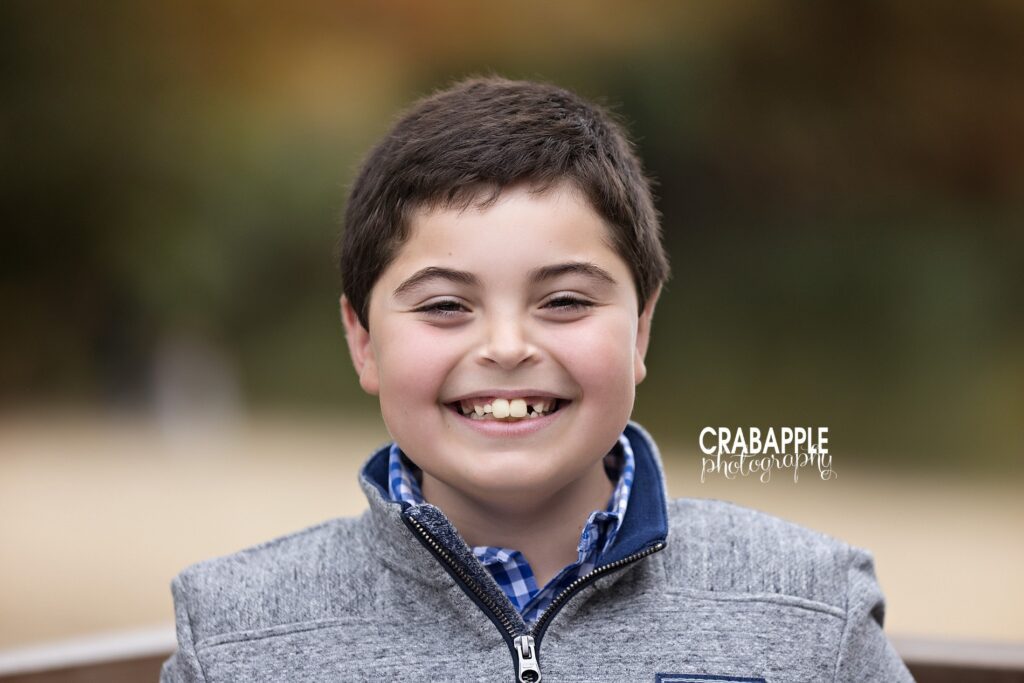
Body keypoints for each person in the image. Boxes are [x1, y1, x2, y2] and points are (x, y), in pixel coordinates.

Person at [160, 76, 913, 682]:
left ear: (641, 328)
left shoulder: (807, 608)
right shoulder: (238, 638)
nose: (508, 345)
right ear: (363, 341)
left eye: (565, 301)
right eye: (446, 305)